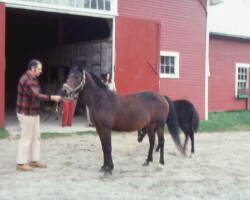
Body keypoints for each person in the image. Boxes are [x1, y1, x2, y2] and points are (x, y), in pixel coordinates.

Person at [16, 59, 62, 171]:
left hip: (33, 113)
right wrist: (52, 97)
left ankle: (34, 160)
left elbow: (36, 96)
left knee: (36, 137)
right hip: (26, 113)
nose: (41, 71)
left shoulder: (33, 79)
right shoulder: (27, 80)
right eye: (39, 69)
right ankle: (21, 163)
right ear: (33, 68)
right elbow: (36, 95)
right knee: (26, 138)